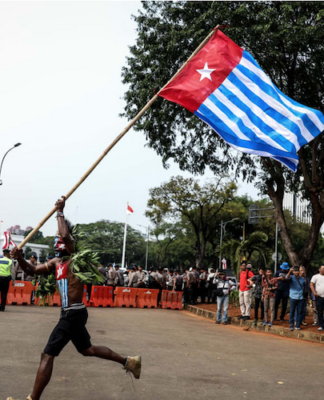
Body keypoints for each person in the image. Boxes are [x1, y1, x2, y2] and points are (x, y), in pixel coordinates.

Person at [8, 197, 141, 400]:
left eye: (58, 238)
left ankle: (32, 399)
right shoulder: (55, 262)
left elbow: (66, 236)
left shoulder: (75, 257)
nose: (56, 241)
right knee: (87, 349)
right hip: (72, 313)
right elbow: (33, 270)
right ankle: (129, 362)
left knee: (47, 354)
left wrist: (60, 212)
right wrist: (19, 258)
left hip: (73, 313)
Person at [286, 266, 305, 331]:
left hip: (301, 297)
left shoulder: (302, 279)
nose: (296, 272)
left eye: (297, 271)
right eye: (295, 271)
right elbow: (287, 278)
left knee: (299, 312)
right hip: (293, 296)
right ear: (293, 272)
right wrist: (289, 271)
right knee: (292, 311)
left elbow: (304, 287)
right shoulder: (291, 277)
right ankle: (291, 325)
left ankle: (298, 325)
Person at [310, 265, 324, 331]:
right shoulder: (315, 276)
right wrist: (314, 293)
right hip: (319, 297)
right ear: (319, 269)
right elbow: (311, 285)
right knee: (320, 311)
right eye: (323, 268)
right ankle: (321, 325)